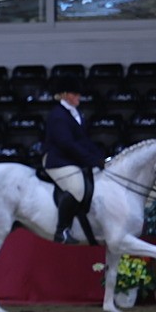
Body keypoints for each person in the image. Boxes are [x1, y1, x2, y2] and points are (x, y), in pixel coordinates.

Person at [42, 76, 104, 244]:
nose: (79, 97)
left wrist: (99, 157)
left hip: (71, 158)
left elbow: (83, 140)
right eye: (75, 94)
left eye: (78, 94)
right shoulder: (58, 115)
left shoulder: (77, 113)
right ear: (64, 95)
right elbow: (66, 143)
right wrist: (89, 159)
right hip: (57, 159)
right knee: (77, 188)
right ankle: (61, 231)